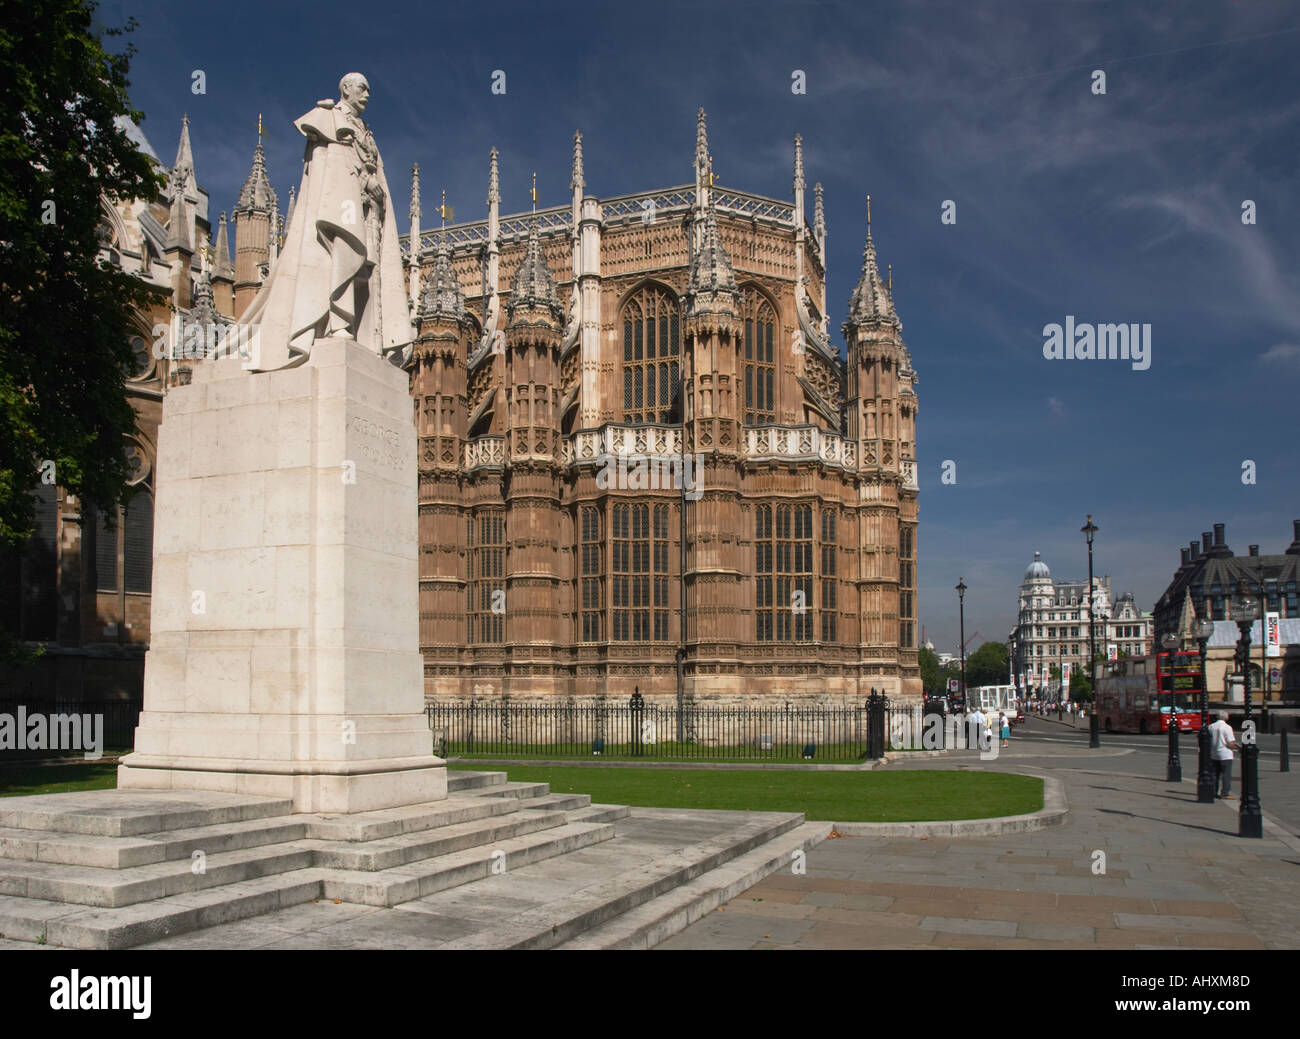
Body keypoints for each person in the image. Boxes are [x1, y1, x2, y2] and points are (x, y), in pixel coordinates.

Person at [1208, 711, 1241, 799]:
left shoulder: (1211, 727)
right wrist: (1238, 748)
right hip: (1225, 754)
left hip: (1214, 754)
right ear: (1226, 718)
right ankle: (1225, 793)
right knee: (1226, 774)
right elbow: (1230, 743)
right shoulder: (1227, 727)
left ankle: (1213, 791)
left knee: (1215, 774)